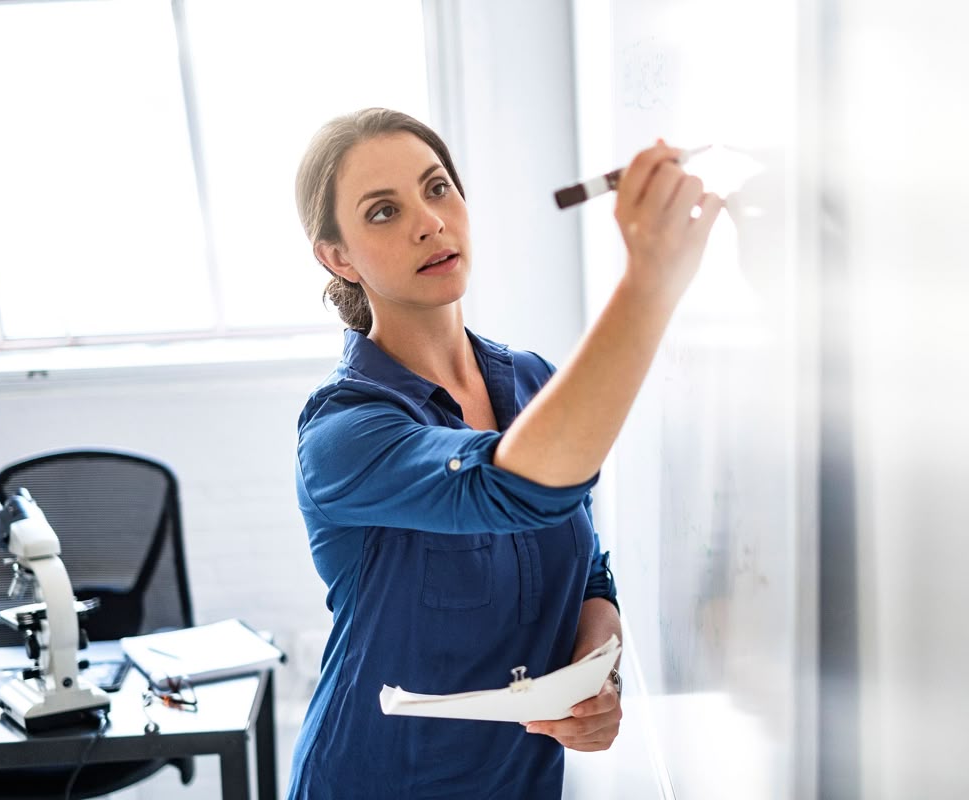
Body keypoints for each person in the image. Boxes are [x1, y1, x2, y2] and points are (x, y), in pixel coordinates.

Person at [287, 107, 722, 799]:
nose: (427, 222)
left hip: (519, 783)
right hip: (376, 780)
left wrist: (595, 671)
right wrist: (650, 283)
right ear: (338, 257)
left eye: (436, 189)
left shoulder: (532, 382)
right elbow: (511, 491)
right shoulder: (343, 434)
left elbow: (586, 572)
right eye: (381, 212)